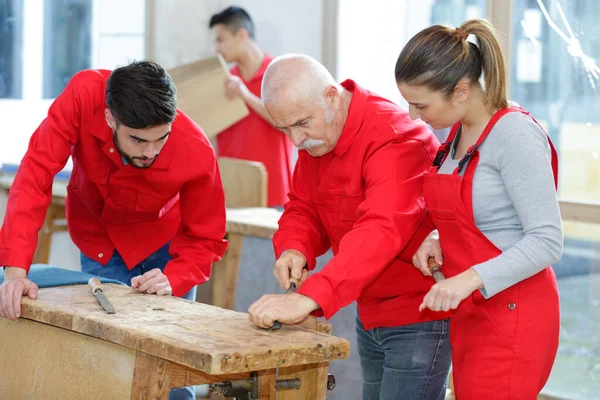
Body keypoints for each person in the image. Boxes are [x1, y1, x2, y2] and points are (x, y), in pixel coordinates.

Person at [0, 61, 228, 400]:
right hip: (101, 240)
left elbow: (205, 234)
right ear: (110, 119)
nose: (150, 152)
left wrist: (176, 277)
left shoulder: (196, 149)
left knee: (173, 370)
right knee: (107, 365)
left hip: (165, 251)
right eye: (138, 140)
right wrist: (16, 271)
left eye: (160, 139)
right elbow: (35, 176)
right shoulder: (81, 98)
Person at [247, 54, 451, 400]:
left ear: (331, 96)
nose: (295, 141)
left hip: (418, 314)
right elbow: (303, 205)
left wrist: (311, 297)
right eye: (285, 129)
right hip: (369, 309)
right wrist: (295, 246)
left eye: (301, 124)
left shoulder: (396, 139)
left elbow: (380, 232)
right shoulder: (318, 133)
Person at [395, 19, 562, 399]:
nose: (412, 116)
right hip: (473, 312)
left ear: (460, 91)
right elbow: (489, 216)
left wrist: (468, 278)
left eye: (421, 105)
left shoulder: (514, 134)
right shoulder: (458, 131)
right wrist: (437, 237)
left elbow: (547, 240)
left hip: (515, 313)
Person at [209, 6, 293, 207]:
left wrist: (246, 95)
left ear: (241, 35)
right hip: (233, 191)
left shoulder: (279, 73)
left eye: (221, 40)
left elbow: (287, 122)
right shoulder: (225, 80)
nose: (217, 49)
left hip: (275, 193)